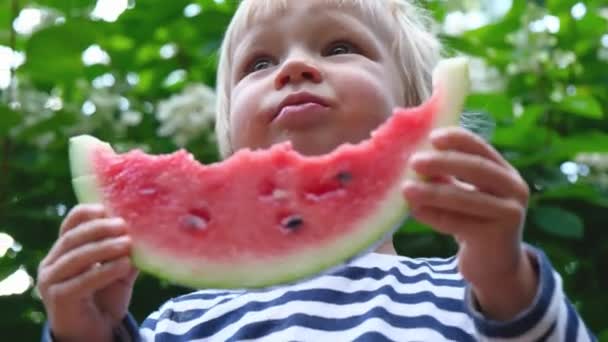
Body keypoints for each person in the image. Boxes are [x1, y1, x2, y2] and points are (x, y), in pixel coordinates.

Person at [38, 0, 597, 341]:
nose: (295, 67)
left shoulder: (468, 294)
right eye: (259, 63)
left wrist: (506, 279)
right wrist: (83, 332)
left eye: (339, 46)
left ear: (417, 116)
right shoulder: (179, 323)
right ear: (233, 141)